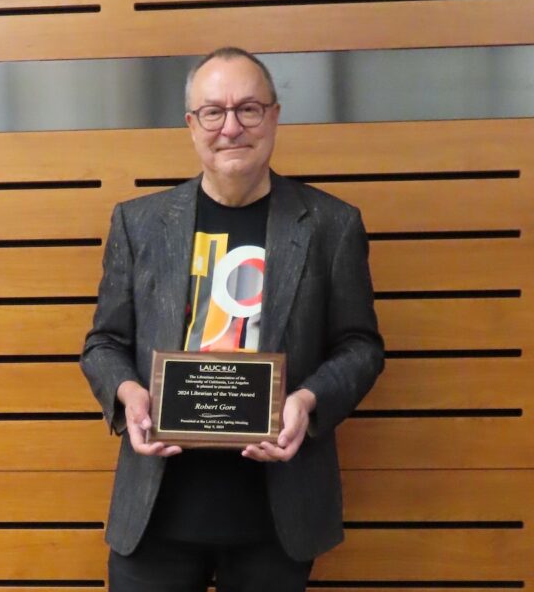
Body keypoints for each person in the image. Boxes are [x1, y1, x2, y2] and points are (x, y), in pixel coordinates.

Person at [81, 47, 384, 592]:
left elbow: (360, 346)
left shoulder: (332, 225)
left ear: (274, 116)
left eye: (248, 109)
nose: (231, 127)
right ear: (191, 124)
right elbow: (103, 342)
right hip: (156, 512)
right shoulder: (139, 223)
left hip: (276, 515)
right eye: (213, 112)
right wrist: (128, 396)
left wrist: (307, 402)